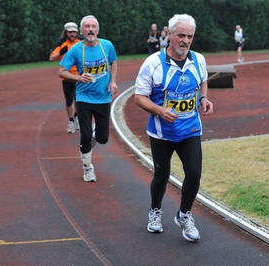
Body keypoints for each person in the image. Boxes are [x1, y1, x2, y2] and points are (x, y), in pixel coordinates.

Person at [135, 13, 213, 242]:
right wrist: (160, 111)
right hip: (162, 133)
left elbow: (203, 81)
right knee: (162, 176)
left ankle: (184, 215)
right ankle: (155, 211)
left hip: (190, 129)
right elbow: (140, 97)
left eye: (190, 36)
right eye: (181, 35)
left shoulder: (198, 59)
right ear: (169, 35)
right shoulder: (153, 63)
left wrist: (203, 98)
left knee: (194, 174)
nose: (185, 40)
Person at [58, 15, 118, 182]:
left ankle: (92, 133)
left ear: (98, 30)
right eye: (87, 27)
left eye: (93, 26)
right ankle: (88, 168)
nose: (90, 29)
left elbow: (113, 62)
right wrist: (78, 78)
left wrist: (113, 81)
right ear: (82, 31)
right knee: (84, 137)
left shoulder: (107, 45)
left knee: (103, 138)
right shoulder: (76, 49)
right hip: (84, 97)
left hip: (104, 97)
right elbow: (61, 71)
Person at [50, 22, 82, 133]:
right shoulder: (61, 43)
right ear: (65, 32)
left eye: (74, 32)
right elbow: (51, 58)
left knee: (78, 99)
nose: (72, 34)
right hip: (66, 76)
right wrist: (60, 53)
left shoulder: (81, 42)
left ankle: (77, 117)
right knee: (69, 100)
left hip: (79, 75)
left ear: (77, 32)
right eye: (69, 32)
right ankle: (71, 121)